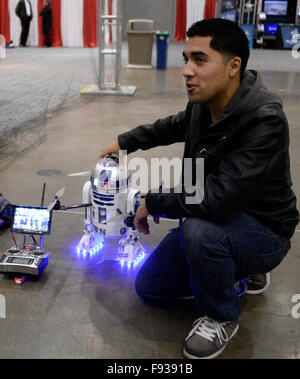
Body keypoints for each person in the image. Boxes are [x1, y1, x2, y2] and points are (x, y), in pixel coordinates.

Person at [99, 18, 299, 359]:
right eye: (186, 59)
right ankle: (236, 273)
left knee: (198, 232)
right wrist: (123, 142)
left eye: (200, 60)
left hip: (264, 229)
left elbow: (218, 200)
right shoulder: (203, 105)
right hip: (216, 218)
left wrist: (155, 201)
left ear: (234, 65)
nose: (187, 71)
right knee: (150, 287)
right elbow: (170, 126)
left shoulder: (264, 119)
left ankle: (222, 314)